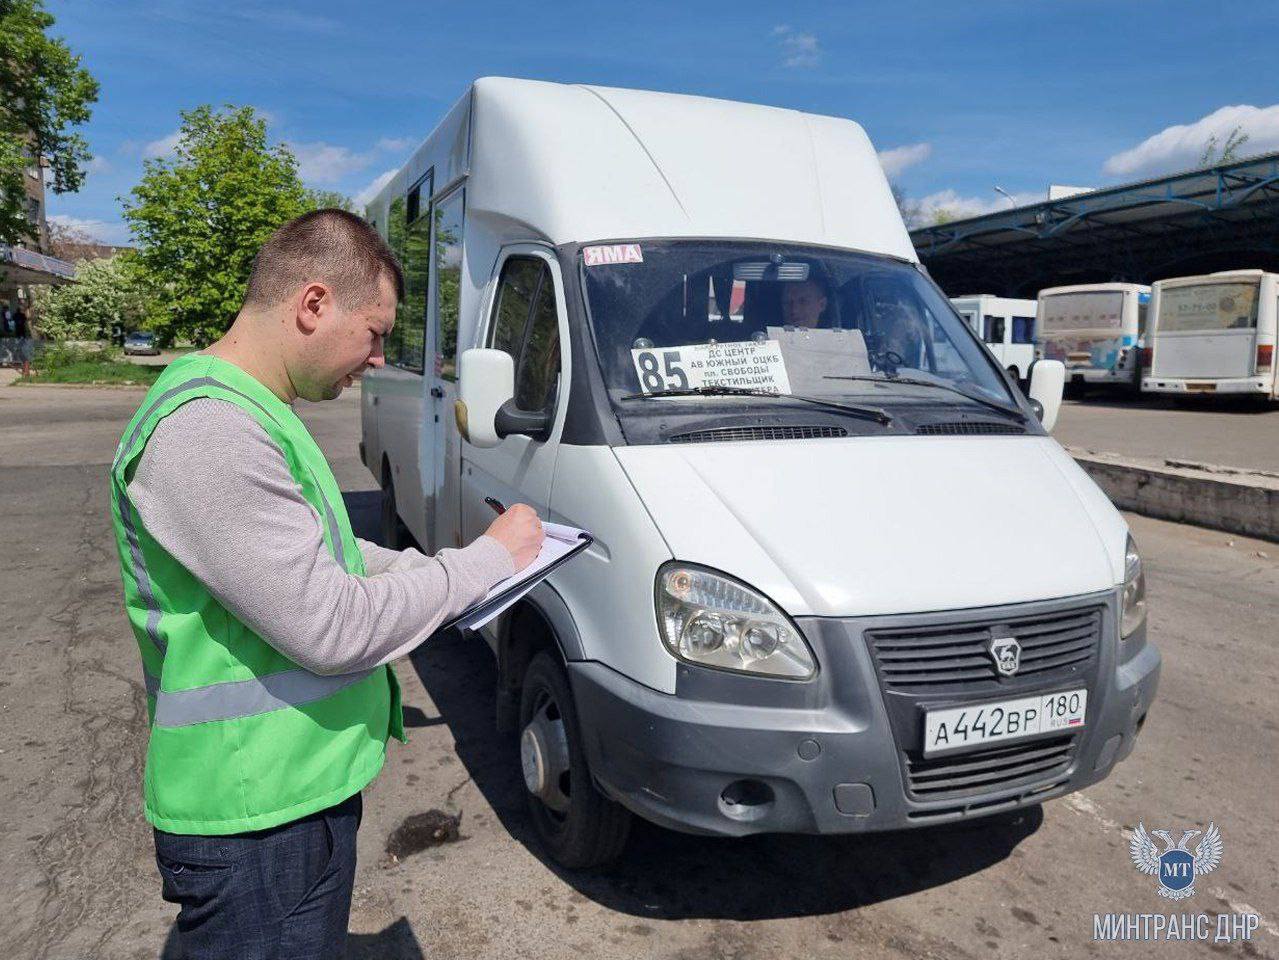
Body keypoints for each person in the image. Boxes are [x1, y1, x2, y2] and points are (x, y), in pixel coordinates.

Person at [108, 209, 544, 959]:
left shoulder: (249, 408)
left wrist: (448, 571)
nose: (378, 359)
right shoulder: (209, 428)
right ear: (313, 305)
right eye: (374, 332)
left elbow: (326, 556)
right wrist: (486, 563)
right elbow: (328, 624)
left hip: (285, 798)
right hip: (254, 817)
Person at [12, 304, 32, 377]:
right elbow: (25, 320)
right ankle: (25, 371)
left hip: (19, 332)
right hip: (21, 332)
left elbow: (14, 319)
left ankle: (25, 371)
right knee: (21, 344)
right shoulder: (22, 315)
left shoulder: (17, 315)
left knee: (21, 346)